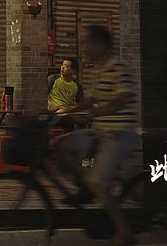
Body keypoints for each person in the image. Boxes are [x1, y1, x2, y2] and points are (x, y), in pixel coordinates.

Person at [57, 25, 138, 246]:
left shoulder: (118, 68)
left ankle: (123, 231)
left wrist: (97, 112)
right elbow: (90, 100)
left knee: (98, 182)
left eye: (88, 43)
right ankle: (87, 187)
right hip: (100, 132)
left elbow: (122, 100)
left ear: (101, 45)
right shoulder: (99, 71)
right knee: (62, 146)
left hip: (119, 135)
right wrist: (65, 111)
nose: (85, 48)